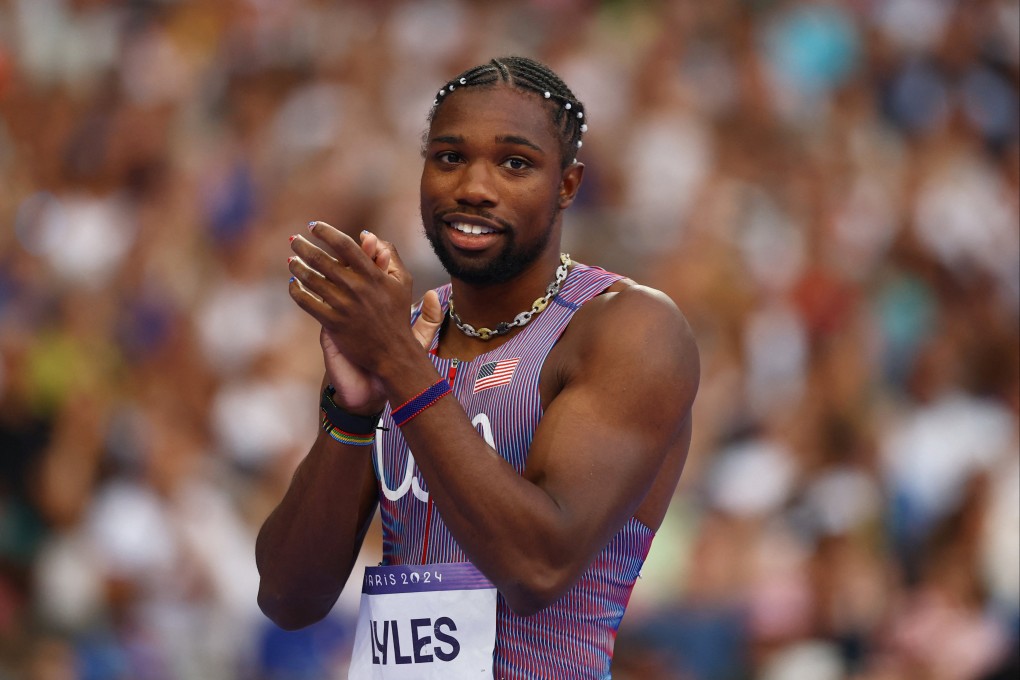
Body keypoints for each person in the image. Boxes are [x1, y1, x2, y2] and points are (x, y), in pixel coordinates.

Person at [255, 55, 700, 679]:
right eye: (448, 157)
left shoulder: (627, 330)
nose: (473, 186)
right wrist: (350, 414)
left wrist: (400, 364)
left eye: (514, 163)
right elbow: (287, 597)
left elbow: (537, 568)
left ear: (567, 185)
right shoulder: (412, 335)